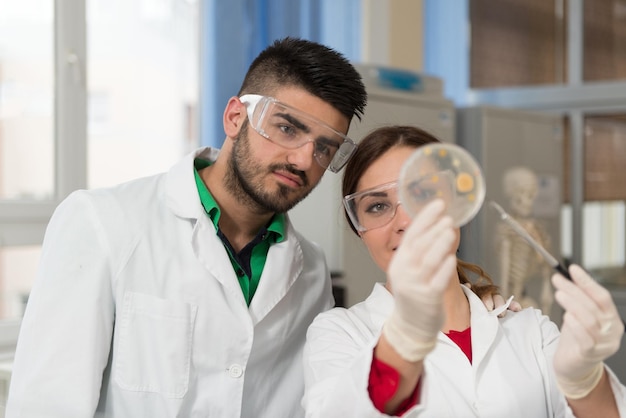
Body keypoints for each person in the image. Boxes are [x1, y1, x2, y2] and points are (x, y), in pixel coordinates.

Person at [6, 37, 367, 418]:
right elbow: (45, 406)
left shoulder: (310, 270)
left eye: (324, 148)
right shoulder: (103, 223)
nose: (303, 160)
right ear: (235, 118)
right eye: (287, 129)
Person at [302, 125, 626, 417]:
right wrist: (403, 342)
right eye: (377, 206)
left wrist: (585, 382)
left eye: (422, 195)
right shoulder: (339, 334)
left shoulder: (531, 332)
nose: (404, 222)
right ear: (360, 229)